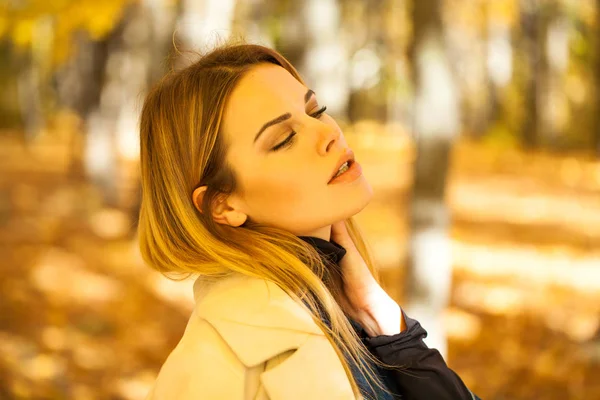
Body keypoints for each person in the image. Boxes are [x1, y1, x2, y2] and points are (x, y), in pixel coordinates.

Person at [138, 41, 481, 400]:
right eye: (284, 139)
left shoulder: (352, 317)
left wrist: (394, 334)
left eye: (315, 111)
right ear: (220, 205)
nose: (328, 133)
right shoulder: (211, 376)